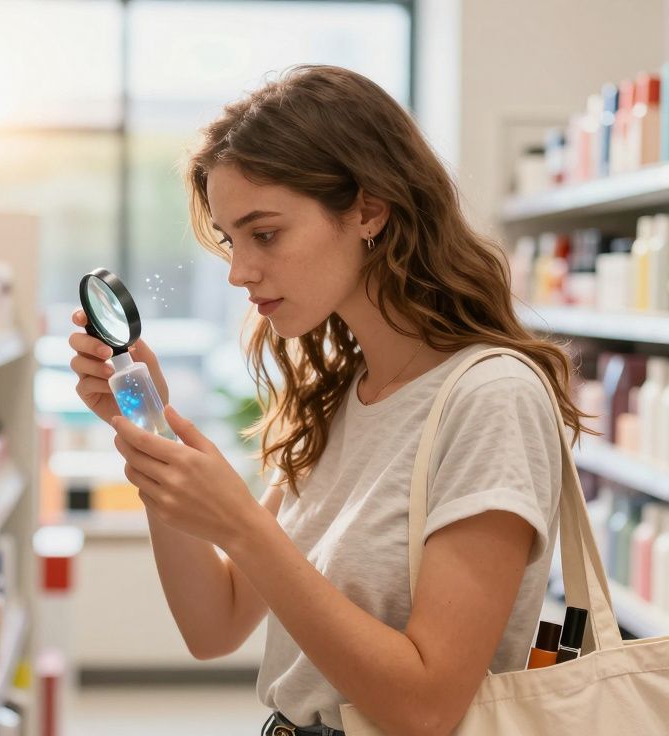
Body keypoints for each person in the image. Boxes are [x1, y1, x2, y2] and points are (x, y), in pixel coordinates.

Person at [67, 65, 586, 736]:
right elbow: (213, 624)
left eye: (266, 233)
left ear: (368, 209)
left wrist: (242, 527)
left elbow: (427, 707)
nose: (239, 270)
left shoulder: (492, 398)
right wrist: (150, 434)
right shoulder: (340, 397)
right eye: (230, 239)